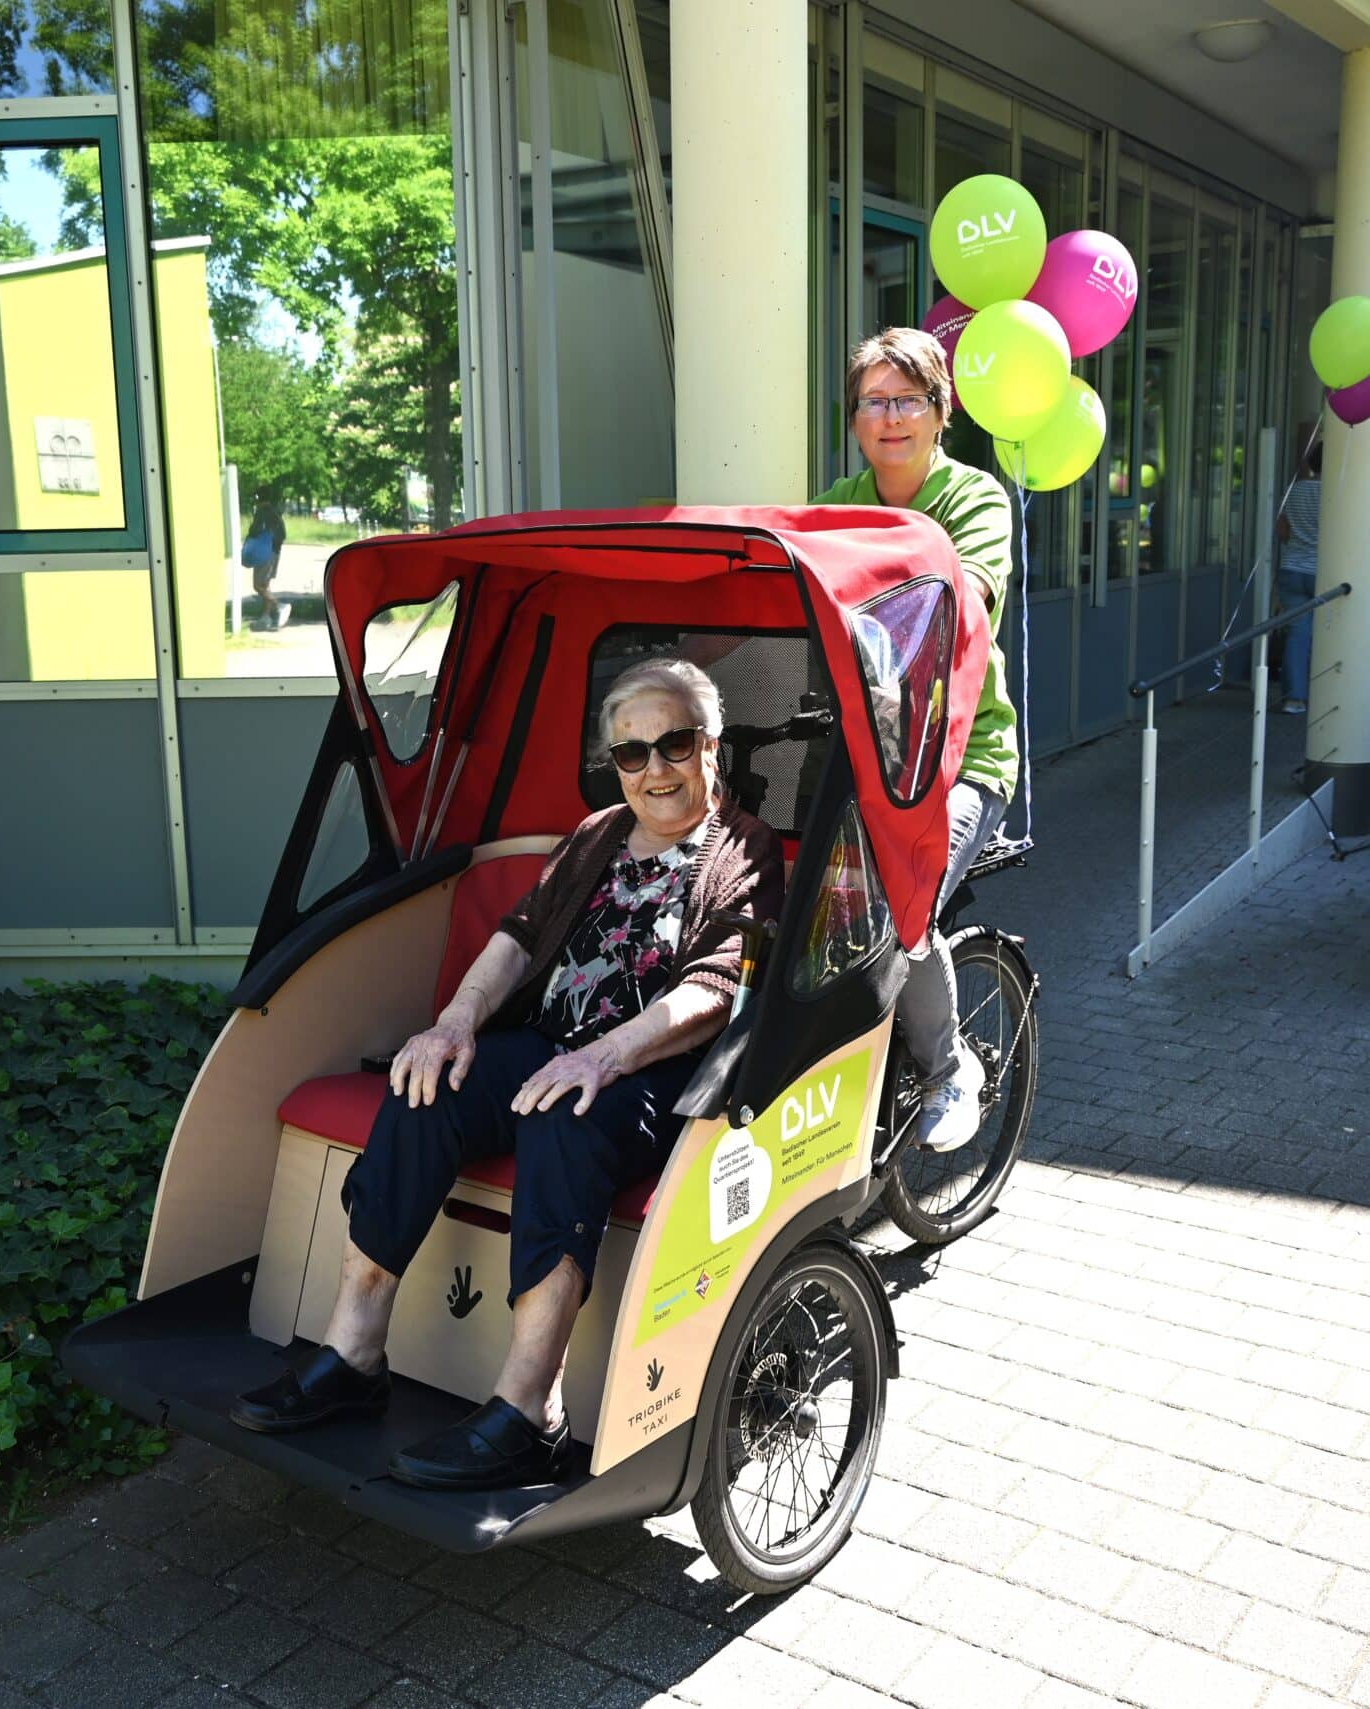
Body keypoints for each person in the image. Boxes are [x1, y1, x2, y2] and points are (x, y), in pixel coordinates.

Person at [229, 660, 784, 1489]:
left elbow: (714, 989)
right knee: (427, 1085)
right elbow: (517, 938)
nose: (655, 770)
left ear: (711, 746)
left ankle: (530, 1411)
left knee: (566, 1119)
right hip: (551, 1041)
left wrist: (605, 1055)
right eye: (632, 755)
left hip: (656, 1069)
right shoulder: (597, 832)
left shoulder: (745, 846)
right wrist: (453, 1023)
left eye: (674, 743)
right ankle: (353, 1350)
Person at [809, 327, 1016, 1154]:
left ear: (941, 412)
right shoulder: (840, 498)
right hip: (867, 750)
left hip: (965, 758)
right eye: (873, 401)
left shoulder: (973, 499)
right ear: (854, 417)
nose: (889, 417)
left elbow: (964, 603)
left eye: (907, 400)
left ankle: (948, 1066)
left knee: (899, 896)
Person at [1273, 443, 1324, 716]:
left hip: (1292, 569)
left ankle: (1294, 699)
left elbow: (1282, 530)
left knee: (1297, 634)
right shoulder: (1340, 493)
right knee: (1330, 634)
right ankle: (1330, 694)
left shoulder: (1295, 489)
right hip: (1326, 572)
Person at [241, 495, 288, 630]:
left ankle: (278, 605)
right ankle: (266, 618)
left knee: (257, 585)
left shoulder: (262, 511)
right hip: (275, 552)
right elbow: (283, 535)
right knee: (265, 585)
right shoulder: (276, 513)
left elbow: (254, 530)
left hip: (265, 553)